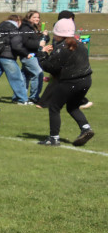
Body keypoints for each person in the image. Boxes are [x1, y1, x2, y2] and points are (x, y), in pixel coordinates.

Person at [36, 18, 94, 146]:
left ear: (58, 33)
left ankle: (54, 138)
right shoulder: (80, 44)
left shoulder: (62, 48)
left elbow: (50, 67)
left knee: (54, 107)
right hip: (86, 81)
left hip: (70, 82)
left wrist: (42, 54)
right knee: (72, 106)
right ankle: (86, 128)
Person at [0, 14, 29, 104]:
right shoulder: (14, 30)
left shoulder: (1, 29)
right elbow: (16, 46)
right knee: (17, 79)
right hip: (8, 58)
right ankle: (22, 99)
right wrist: (26, 54)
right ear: (17, 21)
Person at [15, 10, 44, 103]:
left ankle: (19, 97)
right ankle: (34, 97)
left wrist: (44, 37)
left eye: (38, 17)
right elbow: (25, 42)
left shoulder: (33, 28)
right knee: (38, 73)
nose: (37, 19)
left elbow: (39, 41)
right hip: (28, 55)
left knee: (25, 76)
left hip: (33, 54)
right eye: (34, 17)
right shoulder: (25, 28)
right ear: (29, 18)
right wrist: (38, 43)